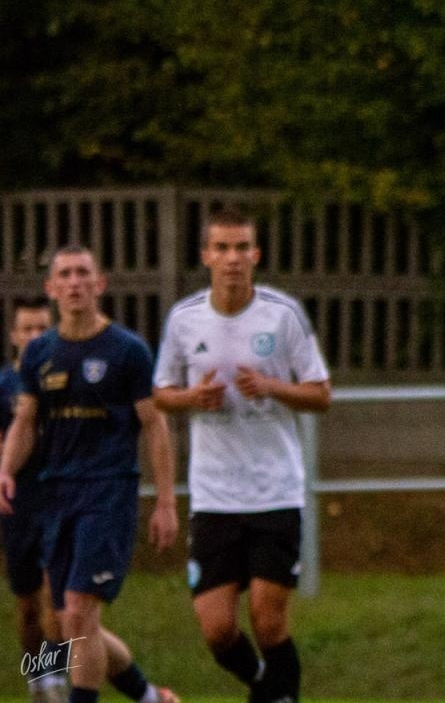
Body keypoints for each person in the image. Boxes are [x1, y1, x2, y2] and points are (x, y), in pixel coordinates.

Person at [154, 207, 331, 703]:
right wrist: (193, 399)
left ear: (255, 254)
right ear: (206, 255)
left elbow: (321, 394)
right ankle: (263, 686)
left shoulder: (282, 315)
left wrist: (272, 387)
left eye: (241, 248)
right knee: (216, 630)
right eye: (222, 248)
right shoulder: (185, 319)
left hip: (275, 491)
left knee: (269, 621)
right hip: (214, 496)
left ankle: (281, 697)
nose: (232, 258)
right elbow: (161, 394)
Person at [0, 246, 180, 703]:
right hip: (31, 506)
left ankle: (56, 690)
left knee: (77, 615)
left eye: (84, 273)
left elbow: (155, 423)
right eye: (66, 274)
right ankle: (49, 682)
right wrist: (5, 471)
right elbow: (22, 425)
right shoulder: (24, 370)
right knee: (44, 618)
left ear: (100, 283)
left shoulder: (125, 350)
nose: (76, 282)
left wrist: (165, 500)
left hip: (103, 493)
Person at [2, 301, 69, 703]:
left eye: (41, 329)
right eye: (25, 329)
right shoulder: (4, 384)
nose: (33, 337)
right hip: (18, 504)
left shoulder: (64, 378)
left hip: (60, 498)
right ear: (13, 335)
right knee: (27, 603)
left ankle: (56, 676)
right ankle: (36, 680)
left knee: (55, 593)